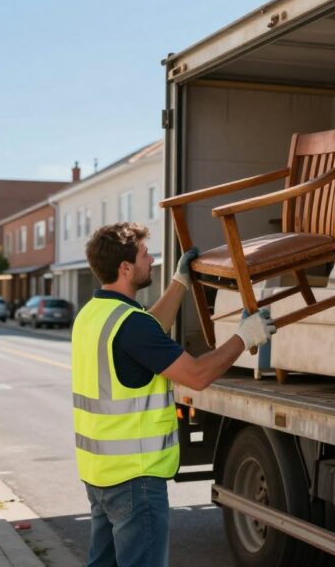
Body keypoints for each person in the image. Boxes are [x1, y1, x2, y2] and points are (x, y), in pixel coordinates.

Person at [74, 222, 275, 567]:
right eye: (143, 255)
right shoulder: (129, 324)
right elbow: (197, 375)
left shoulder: (94, 315)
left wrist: (180, 284)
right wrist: (245, 337)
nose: (150, 260)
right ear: (125, 268)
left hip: (100, 475)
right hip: (135, 480)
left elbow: (148, 327)